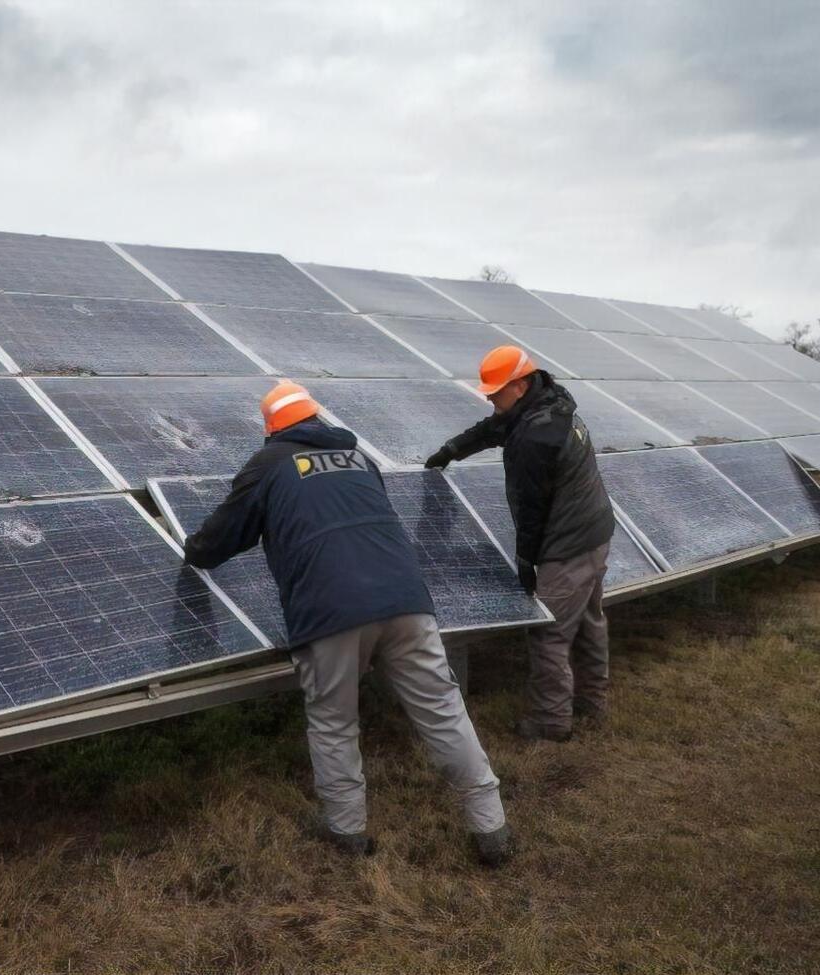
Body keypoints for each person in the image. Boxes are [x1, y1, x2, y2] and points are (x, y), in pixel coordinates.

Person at [184, 380, 512, 865]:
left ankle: (347, 833)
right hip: (406, 601)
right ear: (317, 419)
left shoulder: (270, 465)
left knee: (335, 722)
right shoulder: (361, 460)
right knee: (444, 711)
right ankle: (491, 827)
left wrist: (192, 550)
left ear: (272, 429)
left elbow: (219, 540)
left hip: (330, 612)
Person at [425, 345, 616, 742]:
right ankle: (591, 701)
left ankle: (550, 723)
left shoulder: (536, 436)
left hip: (568, 544)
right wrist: (451, 451)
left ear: (521, 385)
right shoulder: (547, 404)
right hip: (595, 532)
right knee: (589, 620)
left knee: (549, 632)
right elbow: (493, 428)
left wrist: (526, 561)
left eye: (496, 391)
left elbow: (532, 510)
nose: (490, 398)